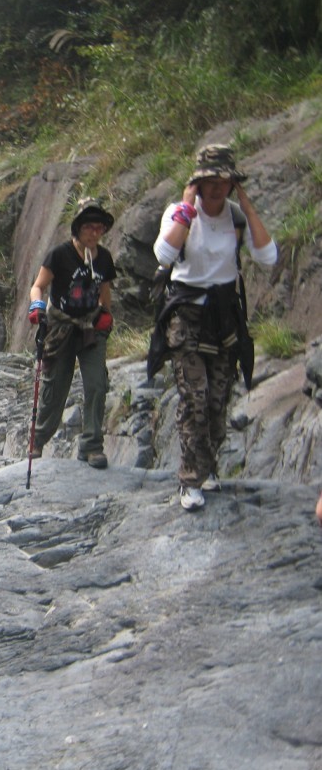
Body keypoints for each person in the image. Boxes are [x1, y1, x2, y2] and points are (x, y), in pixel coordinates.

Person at [152, 145, 277, 511]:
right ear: (197, 183)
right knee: (196, 401)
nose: (216, 188)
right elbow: (163, 255)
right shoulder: (179, 214)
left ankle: (207, 468)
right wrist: (187, 208)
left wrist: (247, 204)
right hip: (187, 318)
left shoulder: (237, 217)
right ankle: (189, 480)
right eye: (209, 181)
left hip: (224, 319)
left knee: (219, 401)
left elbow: (268, 257)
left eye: (224, 181)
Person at [28, 197, 117, 469]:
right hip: (61, 327)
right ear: (77, 228)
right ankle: (38, 439)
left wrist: (105, 313)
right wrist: (37, 307)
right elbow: (38, 285)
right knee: (55, 389)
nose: (95, 232)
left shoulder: (103, 258)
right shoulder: (59, 254)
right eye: (89, 227)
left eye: (99, 227)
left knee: (96, 384)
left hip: (90, 328)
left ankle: (91, 447)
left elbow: (105, 291)